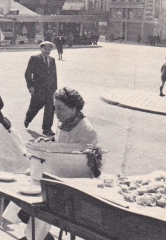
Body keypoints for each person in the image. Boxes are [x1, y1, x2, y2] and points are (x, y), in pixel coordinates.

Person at [16, 87, 98, 240]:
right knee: (19, 200)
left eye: (61, 109)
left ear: (74, 108)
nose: (56, 113)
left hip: (72, 186)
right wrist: (48, 141)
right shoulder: (65, 121)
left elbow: (80, 166)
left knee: (40, 203)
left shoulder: (87, 131)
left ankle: (34, 237)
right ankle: (40, 237)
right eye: (55, 108)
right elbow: (59, 142)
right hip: (55, 176)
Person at [24, 41, 58, 137]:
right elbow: (27, 73)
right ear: (41, 48)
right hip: (38, 88)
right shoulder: (34, 58)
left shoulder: (52, 60)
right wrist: (30, 86)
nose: (47, 51)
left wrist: (55, 89)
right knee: (35, 107)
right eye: (45, 49)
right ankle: (28, 118)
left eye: (49, 49)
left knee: (50, 108)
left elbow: (54, 76)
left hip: (50, 89)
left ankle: (47, 129)